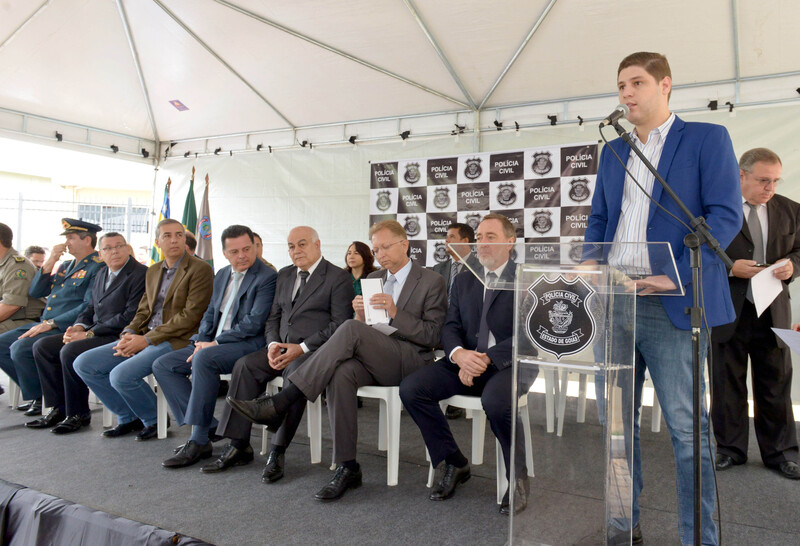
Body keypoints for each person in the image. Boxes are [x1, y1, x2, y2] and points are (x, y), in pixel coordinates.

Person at [584, 52, 741, 545]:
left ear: (665, 84)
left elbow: (724, 216)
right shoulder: (614, 151)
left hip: (672, 304)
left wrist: (671, 276)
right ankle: (622, 527)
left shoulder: (706, 139)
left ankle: (698, 538)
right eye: (620, 85)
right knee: (615, 428)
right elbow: (600, 219)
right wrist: (589, 264)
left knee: (688, 431)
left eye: (636, 82)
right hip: (615, 301)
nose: (626, 93)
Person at [227, 220, 447, 501]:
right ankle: (347, 466)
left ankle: (282, 401)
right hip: (376, 356)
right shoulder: (375, 277)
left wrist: (395, 313)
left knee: (350, 329)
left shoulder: (431, 280)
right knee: (341, 372)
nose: (380, 254)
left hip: (412, 360)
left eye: (385, 247)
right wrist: (361, 316)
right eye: (376, 250)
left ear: (404, 245)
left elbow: (432, 336)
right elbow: (368, 328)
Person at [400, 214, 531, 515]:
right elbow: (450, 326)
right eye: (479, 237)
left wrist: (487, 358)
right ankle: (454, 462)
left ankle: (518, 479)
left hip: (509, 363)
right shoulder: (464, 279)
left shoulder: (527, 279)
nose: (481, 243)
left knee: (496, 403)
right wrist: (459, 355)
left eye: (490, 237)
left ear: (510, 241)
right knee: (412, 389)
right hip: (466, 360)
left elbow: (530, 333)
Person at [201, 226, 353, 477]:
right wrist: (272, 345)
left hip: (313, 351)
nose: (296, 251)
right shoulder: (284, 274)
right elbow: (273, 318)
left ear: (317, 245)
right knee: (245, 365)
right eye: (291, 246)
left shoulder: (338, 278)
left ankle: (277, 451)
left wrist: (301, 348)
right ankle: (238, 444)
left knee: (296, 374)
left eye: (302, 244)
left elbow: (340, 325)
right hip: (279, 347)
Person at [74, 219, 213, 440]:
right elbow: (144, 310)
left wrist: (146, 340)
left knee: (120, 376)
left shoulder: (200, 268)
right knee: (84, 364)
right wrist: (129, 333)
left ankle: (153, 419)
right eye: (167, 236)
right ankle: (129, 416)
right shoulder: (154, 270)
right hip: (145, 335)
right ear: (157, 242)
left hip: (177, 339)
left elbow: (190, 317)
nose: (174, 240)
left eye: (179, 235)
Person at [152, 225, 277, 468]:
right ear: (224, 253)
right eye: (235, 251)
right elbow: (210, 313)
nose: (242, 255)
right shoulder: (221, 274)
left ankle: (198, 440)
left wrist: (214, 343)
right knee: (163, 365)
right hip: (212, 343)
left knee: (204, 359)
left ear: (254, 247)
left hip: (245, 344)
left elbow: (254, 323)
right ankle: (209, 425)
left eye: (247, 249)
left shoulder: (267, 277)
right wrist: (200, 341)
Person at [710, 148, 800, 480]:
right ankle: (729, 449)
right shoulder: (716, 210)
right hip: (727, 309)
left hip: (773, 310)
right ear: (741, 175)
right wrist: (730, 268)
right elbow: (698, 252)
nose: (770, 188)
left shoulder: (791, 210)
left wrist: (792, 267)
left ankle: (781, 453)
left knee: (776, 384)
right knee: (726, 383)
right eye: (763, 180)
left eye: (775, 181)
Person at [27, 232, 147, 432]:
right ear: (101, 253)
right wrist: (79, 326)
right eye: (108, 248)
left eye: (119, 246)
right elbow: (90, 307)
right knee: (43, 346)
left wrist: (89, 334)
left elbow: (129, 316)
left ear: (127, 248)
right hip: (95, 331)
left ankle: (78, 413)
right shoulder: (102, 273)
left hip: (120, 334)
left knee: (70, 351)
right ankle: (59, 408)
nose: (114, 251)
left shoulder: (140, 273)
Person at [0, 218, 105, 416]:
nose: (66, 243)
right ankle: (40, 395)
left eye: (71, 238)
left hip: (67, 325)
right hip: (46, 322)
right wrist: (51, 261)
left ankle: (45, 399)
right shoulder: (66, 265)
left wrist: (53, 323)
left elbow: (88, 305)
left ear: (87, 240)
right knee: (2, 344)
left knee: (20, 348)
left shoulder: (97, 266)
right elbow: (36, 291)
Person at [431, 222, 481, 420]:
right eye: (446, 237)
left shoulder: (481, 267)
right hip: (439, 325)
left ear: (465, 241)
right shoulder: (438, 268)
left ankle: (458, 392)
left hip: (468, 328)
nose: (446, 241)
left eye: (451, 237)